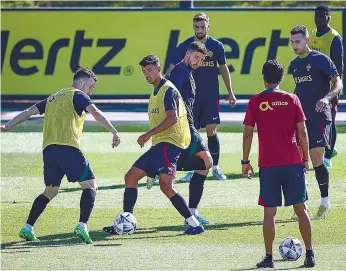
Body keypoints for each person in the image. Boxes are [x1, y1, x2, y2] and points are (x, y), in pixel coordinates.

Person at [0, 67, 121, 244]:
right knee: (90, 185)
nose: (91, 91)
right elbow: (95, 113)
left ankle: (27, 227)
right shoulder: (78, 95)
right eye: (91, 86)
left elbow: (28, 112)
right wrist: (114, 132)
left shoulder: (52, 98)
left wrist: (7, 126)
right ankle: (82, 224)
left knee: (50, 191)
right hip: (68, 149)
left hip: (49, 152)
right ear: (81, 82)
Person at [102, 55, 204, 235]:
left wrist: (148, 134)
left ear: (159, 69)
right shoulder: (156, 91)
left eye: (149, 70)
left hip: (169, 144)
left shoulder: (167, 90)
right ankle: (126, 222)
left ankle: (194, 224)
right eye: (143, 72)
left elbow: (172, 118)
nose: (146, 74)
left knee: (164, 185)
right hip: (160, 146)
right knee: (131, 177)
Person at [242, 59, 315, 268]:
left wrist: (245, 161)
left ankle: (268, 258)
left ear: (263, 78)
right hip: (292, 163)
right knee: (301, 209)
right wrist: (305, 159)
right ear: (282, 78)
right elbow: (302, 132)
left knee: (269, 213)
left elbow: (248, 134)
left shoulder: (255, 101)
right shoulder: (292, 99)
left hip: (268, 165)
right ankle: (310, 255)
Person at [147, 41, 214, 225]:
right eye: (196, 58)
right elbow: (168, 95)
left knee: (202, 165)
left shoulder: (184, 71)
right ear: (188, 54)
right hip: (184, 127)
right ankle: (159, 167)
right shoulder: (180, 71)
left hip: (187, 125)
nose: (198, 62)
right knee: (206, 163)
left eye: (201, 60)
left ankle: (160, 168)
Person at [166, 12, 237, 181]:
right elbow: (170, 68)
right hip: (191, 98)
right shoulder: (185, 46)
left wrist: (230, 92)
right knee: (192, 132)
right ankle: (192, 169)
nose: (199, 30)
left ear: (208, 27)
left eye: (202, 27)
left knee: (211, 129)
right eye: (196, 27)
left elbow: (224, 69)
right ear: (193, 27)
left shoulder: (217, 46)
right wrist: (165, 89)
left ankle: (216, 167)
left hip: (211, 95)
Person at [289, 25, 343, 219]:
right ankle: (303, 205)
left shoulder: (321, 60)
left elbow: (338, 83)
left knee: (316, 157)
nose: (295, 45)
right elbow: (298, 91)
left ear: (307, 41)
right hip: (301, 119)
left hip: (320, 115)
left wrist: (326, 98)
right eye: (292, 42)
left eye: (298, 41)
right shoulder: (294, 65)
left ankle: (324, 202)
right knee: (300, 159)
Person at [310, 4, 344, 168]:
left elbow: (339, 67)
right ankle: (321, 150)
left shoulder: (334, 38)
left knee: (330, 121)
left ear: (329, 17)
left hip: (328, 88)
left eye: (322, 16)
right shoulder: (312, 34)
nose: (318, 19)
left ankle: (328, 156)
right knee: (316, 120)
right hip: (313, 86)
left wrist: (335, 90)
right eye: (316, 16)